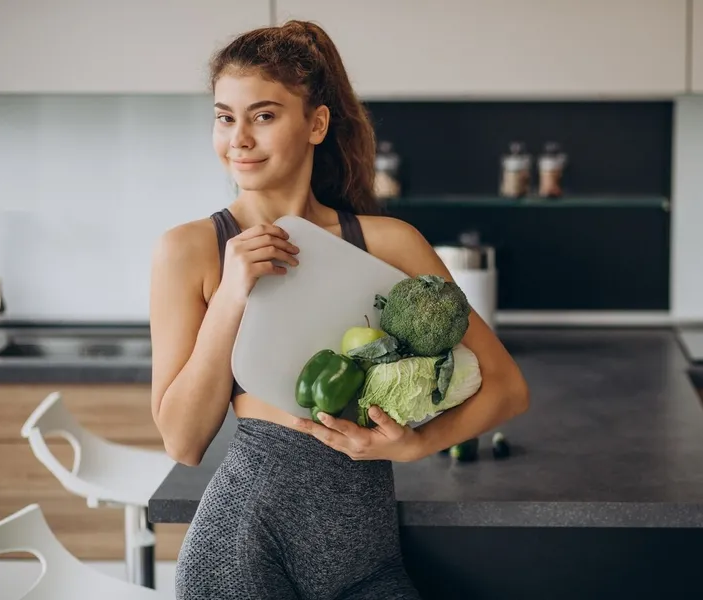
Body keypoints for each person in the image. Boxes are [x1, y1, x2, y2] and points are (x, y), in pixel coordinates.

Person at [148, 18, 530, 600]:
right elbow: (182, 441)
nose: (239, 138)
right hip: (244, 548)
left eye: (264, 115)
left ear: (316, 123)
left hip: (364, 558)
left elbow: (506, 387)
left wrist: (414, 444)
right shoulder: (191, 249)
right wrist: (231, 292)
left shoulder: (391, 244)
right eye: (225, 117)